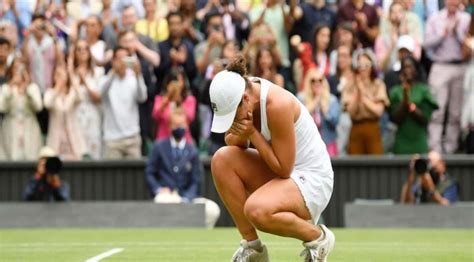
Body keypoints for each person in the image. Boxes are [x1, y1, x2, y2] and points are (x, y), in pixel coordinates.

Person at [210, 56, 335, 261]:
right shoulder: (246, 100)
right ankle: (253, 249)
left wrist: (253, 133)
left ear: (245, 99)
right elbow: (234, 143)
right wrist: (246, 131)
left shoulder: (278, 104)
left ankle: (318, 238)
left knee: (256, 210)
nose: (231, 122)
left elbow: (283, 169)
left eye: (232, 115)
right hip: (285, 174)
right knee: (221, 160)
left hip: (313, 181)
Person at [145, 108, 220, 228]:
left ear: (187, 126)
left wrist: (187, 198)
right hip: (166, 197)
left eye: (181, 124)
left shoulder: (193, 151)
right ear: (169, 127)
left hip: (187, 198)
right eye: (176, 125)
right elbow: (150, 173)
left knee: (213, 209)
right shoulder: (159, 147)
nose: (179, 127)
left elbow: (196, 181)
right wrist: (158, 189)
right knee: (162, 201)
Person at [424, 0, 471, 153]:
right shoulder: (434, 18)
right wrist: (442, 34)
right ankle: (435, 148)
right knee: (437, 110)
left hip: (460, 66)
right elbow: (426, 44)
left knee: (456, 113)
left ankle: (451, 149)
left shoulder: (466, 19)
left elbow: (469, 44)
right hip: (440, 66)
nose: (453, 2)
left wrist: (457, 32)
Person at [98, 46, 147, 159]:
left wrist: (138, 75)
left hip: (132, 139)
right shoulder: (106, 79)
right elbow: (101, 92)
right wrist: (114, 71)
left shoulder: (133, 79)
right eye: (119, 59)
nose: (122, 62)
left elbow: (142, 97)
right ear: (113, 61)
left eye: (125, 59)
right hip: (112, 140)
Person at [341, 49, 389, 155]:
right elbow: (351, 111)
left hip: (373, 127)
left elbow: (378, 111)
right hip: (356, 128)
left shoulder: (378, 84)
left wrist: (363, 96)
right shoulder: (349, 85)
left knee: (376, 163)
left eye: (366, 64)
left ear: (372, 66)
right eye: (360, 65)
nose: (363, 68)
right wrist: (357, 94)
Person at [389, 56, 439, 154]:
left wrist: (411, 107)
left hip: (419, 141)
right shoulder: (396, 91)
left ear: (416, 69)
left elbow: (425, 119)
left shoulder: (423, 90)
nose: (407, 70)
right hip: (401, 141)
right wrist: (405, 102)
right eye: (404, 67)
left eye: (410, 67)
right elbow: (394, 119)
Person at [0, 58, 43, 160]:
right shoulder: (6, 87)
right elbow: (1, 108)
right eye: (15, 68)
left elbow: (38, 107)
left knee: (31, 158)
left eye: (21, 68)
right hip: (10, 129)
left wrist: (27, 89)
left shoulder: (32, 87)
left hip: (30, 128)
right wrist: (10, 87)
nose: (18, 71)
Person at [44, 66, 87, 160]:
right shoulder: (50, 92)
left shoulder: (72, 93)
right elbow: (47, 103)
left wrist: (72, 77)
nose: (60, 77)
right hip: (56, 139)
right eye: (57, 75)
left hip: (72, 138)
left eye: (63, 75)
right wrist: (58, 87)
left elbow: (81, 97)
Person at [299, 68, 340, 157]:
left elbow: (334, 123)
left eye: (320, 80)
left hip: (327, 142)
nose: (317, 83)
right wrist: (315, 101)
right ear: (308, 83)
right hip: (307, 145)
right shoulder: (301, 98)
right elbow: (299, 120)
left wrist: (324, 108)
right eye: (313, 80)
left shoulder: (332, 100)